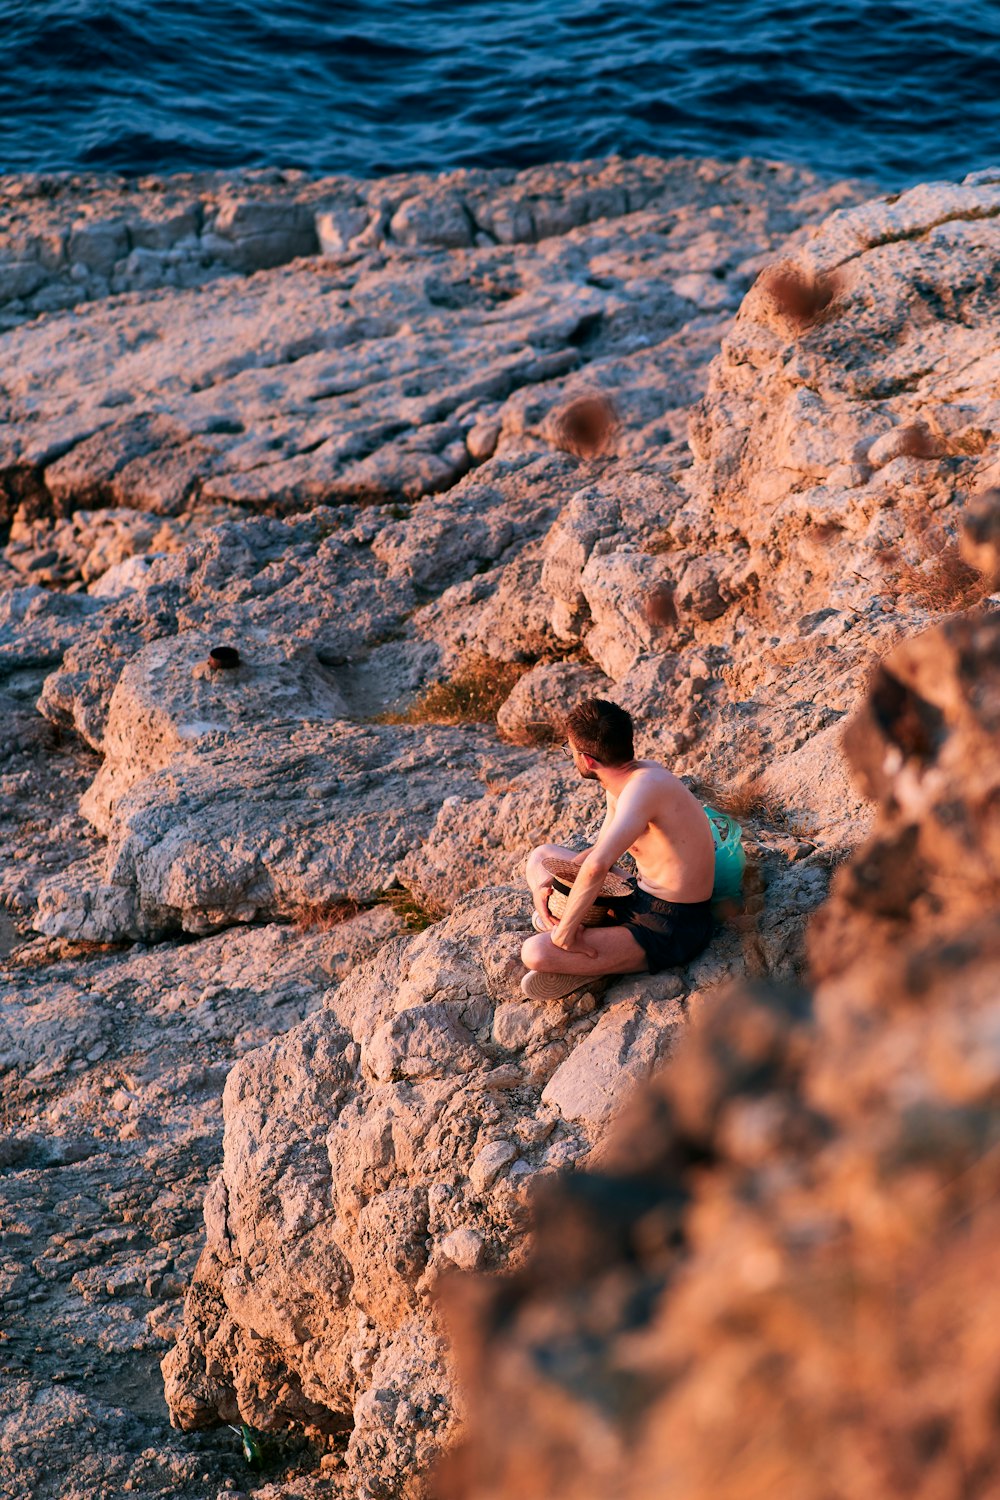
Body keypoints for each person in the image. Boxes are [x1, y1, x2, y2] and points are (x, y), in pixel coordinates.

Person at [520, 698, 716, 1000]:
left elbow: (598, 866)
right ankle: (594, 943)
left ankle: (597, 961)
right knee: (541, 857)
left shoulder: (644, 787)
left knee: (534, 952)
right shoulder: (621, 782)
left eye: (569, 750)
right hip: (638, 894)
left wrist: (565, 934)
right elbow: (599, 852)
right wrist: (551, 887)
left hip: (671, 924)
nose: (570, 755)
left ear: (588, 760)